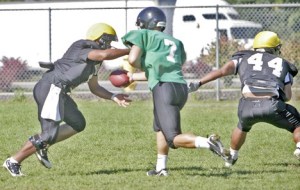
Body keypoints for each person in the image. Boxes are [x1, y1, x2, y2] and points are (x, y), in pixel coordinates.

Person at [3, 23, 131, 177]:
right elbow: (103, 54)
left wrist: (113, 96)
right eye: (109, 41)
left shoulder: (96, 62)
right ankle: (14, 161)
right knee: (48, 134)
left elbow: (94, 87)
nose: (110, 46)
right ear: (100, 39)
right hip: (51, 88)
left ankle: (44, 143)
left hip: (60, 92)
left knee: (78, 123)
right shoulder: (82, 46)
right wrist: (130, 51)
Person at [121, 7, 228, 176]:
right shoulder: (175, 42)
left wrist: (135, 65)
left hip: (164, 89)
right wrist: (133, 77)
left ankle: (208, 143)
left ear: (146, 23)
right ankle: (161, 168)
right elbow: (163, 69)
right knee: (160, 128)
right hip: (179, 88)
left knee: (173, 138)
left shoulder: (144, 35)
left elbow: (133, 59)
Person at [189, 31, 300, 167]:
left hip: (247, 106)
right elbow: (288, 96)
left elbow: (222, 71)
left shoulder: (242, 57)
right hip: (272, 105)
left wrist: (199, 83)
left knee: (242, 125)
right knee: (297, 125)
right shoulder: (283, 64)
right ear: (274, 48)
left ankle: (232, 157)